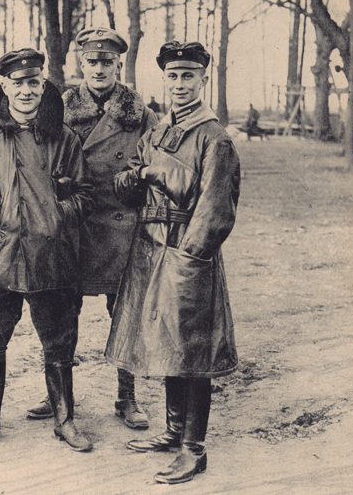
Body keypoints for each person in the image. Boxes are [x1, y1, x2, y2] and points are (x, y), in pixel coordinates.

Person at [107, 42, 240, 484]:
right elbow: (125, 186)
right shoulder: (160, 131)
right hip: (149, 248)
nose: (180, 84)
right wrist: (141, 174)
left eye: (189, 76)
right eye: (173, 76)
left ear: (204, 79)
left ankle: (193, 448)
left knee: (192, 351)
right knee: (166, 343)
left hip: (185, 253)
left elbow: (216, 210)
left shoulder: (214, 137)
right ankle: (170, 431)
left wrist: (190, 257)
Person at [0, 48, 95, 452]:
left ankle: (65, 420)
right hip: (0, 256)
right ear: (4, 86)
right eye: (18, 84)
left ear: (43, 84)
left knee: (59, 339)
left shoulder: (64, 137)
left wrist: (56, 214)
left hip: (52, 257)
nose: (27, 91)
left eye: (34, 82)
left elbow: (86, 193)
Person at [25, 27, 158, 430]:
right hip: (72, 226)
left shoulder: (141, 113)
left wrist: (136, 183)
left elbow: (155, 163)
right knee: (62, 314)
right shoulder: (56, 108)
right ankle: (59, 395)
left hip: (122, 226)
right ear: (80, 64)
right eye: (92, 61)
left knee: (125, 313)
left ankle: (127, 396)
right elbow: (37, 160)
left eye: (107, 62)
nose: (99, 68)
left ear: (120, 65)